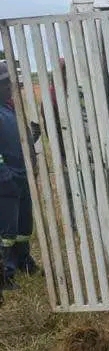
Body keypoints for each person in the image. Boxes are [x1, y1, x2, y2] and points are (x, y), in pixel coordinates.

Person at [0, 60, 38, 285]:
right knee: (7, 231)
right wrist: (4, 175)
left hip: (21, 176)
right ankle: (6, 273)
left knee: (24, 226)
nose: (9, 87)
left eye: (9, 83)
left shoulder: (10, 109)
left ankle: (24, 260)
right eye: (5, 83)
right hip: (6, 180)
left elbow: (19, 141)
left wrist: (32, 141)